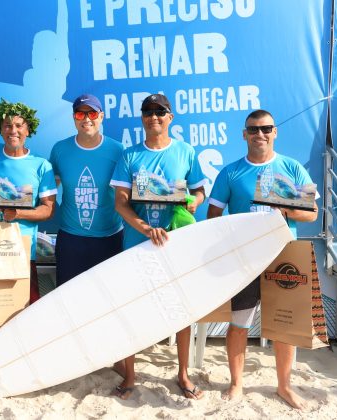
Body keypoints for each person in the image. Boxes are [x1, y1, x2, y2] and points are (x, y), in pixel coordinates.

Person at [207, 109, 318, 409]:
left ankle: (284, 386)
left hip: (283, 257)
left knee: (284, 327)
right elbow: (213, 216)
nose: (260, 135)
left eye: (266, 129)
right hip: (244, 262)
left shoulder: (292, 168)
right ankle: (236, 384)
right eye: (254, 130)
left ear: (275, 132)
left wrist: (283, 208)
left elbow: (311, 213)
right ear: (244, 134)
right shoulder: (230, 172)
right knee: (239, 324)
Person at [110, 93, 207, 400]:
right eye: (148, 111)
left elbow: (199, 192)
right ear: (142, 118)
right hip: (137, 244)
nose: (154, 116)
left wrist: (193, 204)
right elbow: (121, 203)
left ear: (170, 117)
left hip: (175, 244)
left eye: (160, 111)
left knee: (181, 310)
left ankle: (182, 374)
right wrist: (145, 228)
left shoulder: (185, 151)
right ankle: (129, 376)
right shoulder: (129, 156)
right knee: (131, 310)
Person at [0, 99, 57, 340]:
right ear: (0, 129)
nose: (13, 131)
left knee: (22, 310)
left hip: (21, 249)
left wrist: (17, 214)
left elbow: (48, 210)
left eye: (19, 125)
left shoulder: (42, 166)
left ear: (28, 129)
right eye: (8, 125)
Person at [48, 94, 123, 286]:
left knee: (111, 301)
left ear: (101, 116)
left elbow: (127, 197)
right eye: (80, 115)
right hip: (71, 240)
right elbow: (48, 193)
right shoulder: (60, 150)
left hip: (110, 238)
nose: (87, 119)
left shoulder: (118, 150)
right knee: (69, 303)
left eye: (92, 113)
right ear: (74, 118)